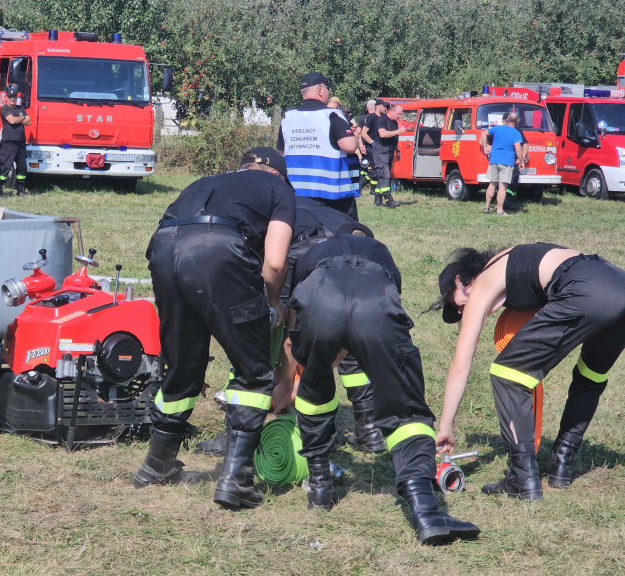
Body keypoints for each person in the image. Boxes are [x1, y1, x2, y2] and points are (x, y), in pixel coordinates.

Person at [288, 232, 480, 545]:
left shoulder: (311, 253)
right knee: (405, 406)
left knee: (314, 384)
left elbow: (297, 317)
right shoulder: (380, 251)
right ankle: (427, 514)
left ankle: (320, 487)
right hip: (374, 301)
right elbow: (387, 306)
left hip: (320, 301)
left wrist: (306, 369)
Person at [133, 146, 295, 510]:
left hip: (163, 249)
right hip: (217, 249)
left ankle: (155, 466)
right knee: (254, 373)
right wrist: (271, 302)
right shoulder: (280, 189)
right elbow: (274, 260)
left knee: (184, 365)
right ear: (279, 174)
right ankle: (236, 481)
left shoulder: (204, 181)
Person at [194, 197, 387, 457]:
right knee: (343, 334)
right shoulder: (323, 211)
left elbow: (264, 268)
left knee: (260, 336)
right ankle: (369, 430)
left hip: (297, 252)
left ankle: (235, 436)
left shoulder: (260, 210)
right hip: (345, 251)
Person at [432, 244, 625, 499]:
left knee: (506, 373)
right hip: (616, 283)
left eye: (454, 303)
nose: (459, 312)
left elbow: (460, 363)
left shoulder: (482, 282)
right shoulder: (513, 262)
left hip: (586, 288)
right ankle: (561, 464)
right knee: (590, 375)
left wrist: (445, 426)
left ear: (461, 280)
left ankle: (522, 479)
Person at [277, 72, 360, 220]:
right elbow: (349, 146)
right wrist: (356, 135)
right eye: (328, 88)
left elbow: (281, 154)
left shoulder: (288, 118)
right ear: (320, 90)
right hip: (332, 197)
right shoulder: (332, 115)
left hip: (297, 194)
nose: (328, 93)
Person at [362, 101, 410, 208]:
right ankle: (389, 200)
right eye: (399, 113)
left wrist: (397, 150)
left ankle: (378, 201)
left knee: (382, 175)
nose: (400, 116)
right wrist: (398, 131)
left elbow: (393, 138)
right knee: (385, 175)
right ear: (392, 111)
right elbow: (382, 134)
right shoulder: (381, 120)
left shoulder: (394, 122)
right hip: (380, 150)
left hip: (390, 150)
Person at [481, 112, 525, 216]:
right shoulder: (516, 133)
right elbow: (518, 148)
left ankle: (487, 207)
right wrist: (521, 161)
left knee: (492, 184)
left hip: (494, 160)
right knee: (502, 187)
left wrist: (485, 147)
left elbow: (483, 134)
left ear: (507, 119)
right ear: (517, 122)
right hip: (507, 161)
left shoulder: (497, 128)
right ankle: (500, 211)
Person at [0, 84, 30, 197]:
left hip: (20, 141)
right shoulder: (4, 108)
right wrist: (22, 118)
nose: (12, 99)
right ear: (6, 97)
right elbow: (11, 120)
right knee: (4, 166)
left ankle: (21, 190)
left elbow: (29, 121)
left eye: (14, 96)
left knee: (22, 167)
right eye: (10, 96)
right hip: (9, 142)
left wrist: (18, 119)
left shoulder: (20, 108)